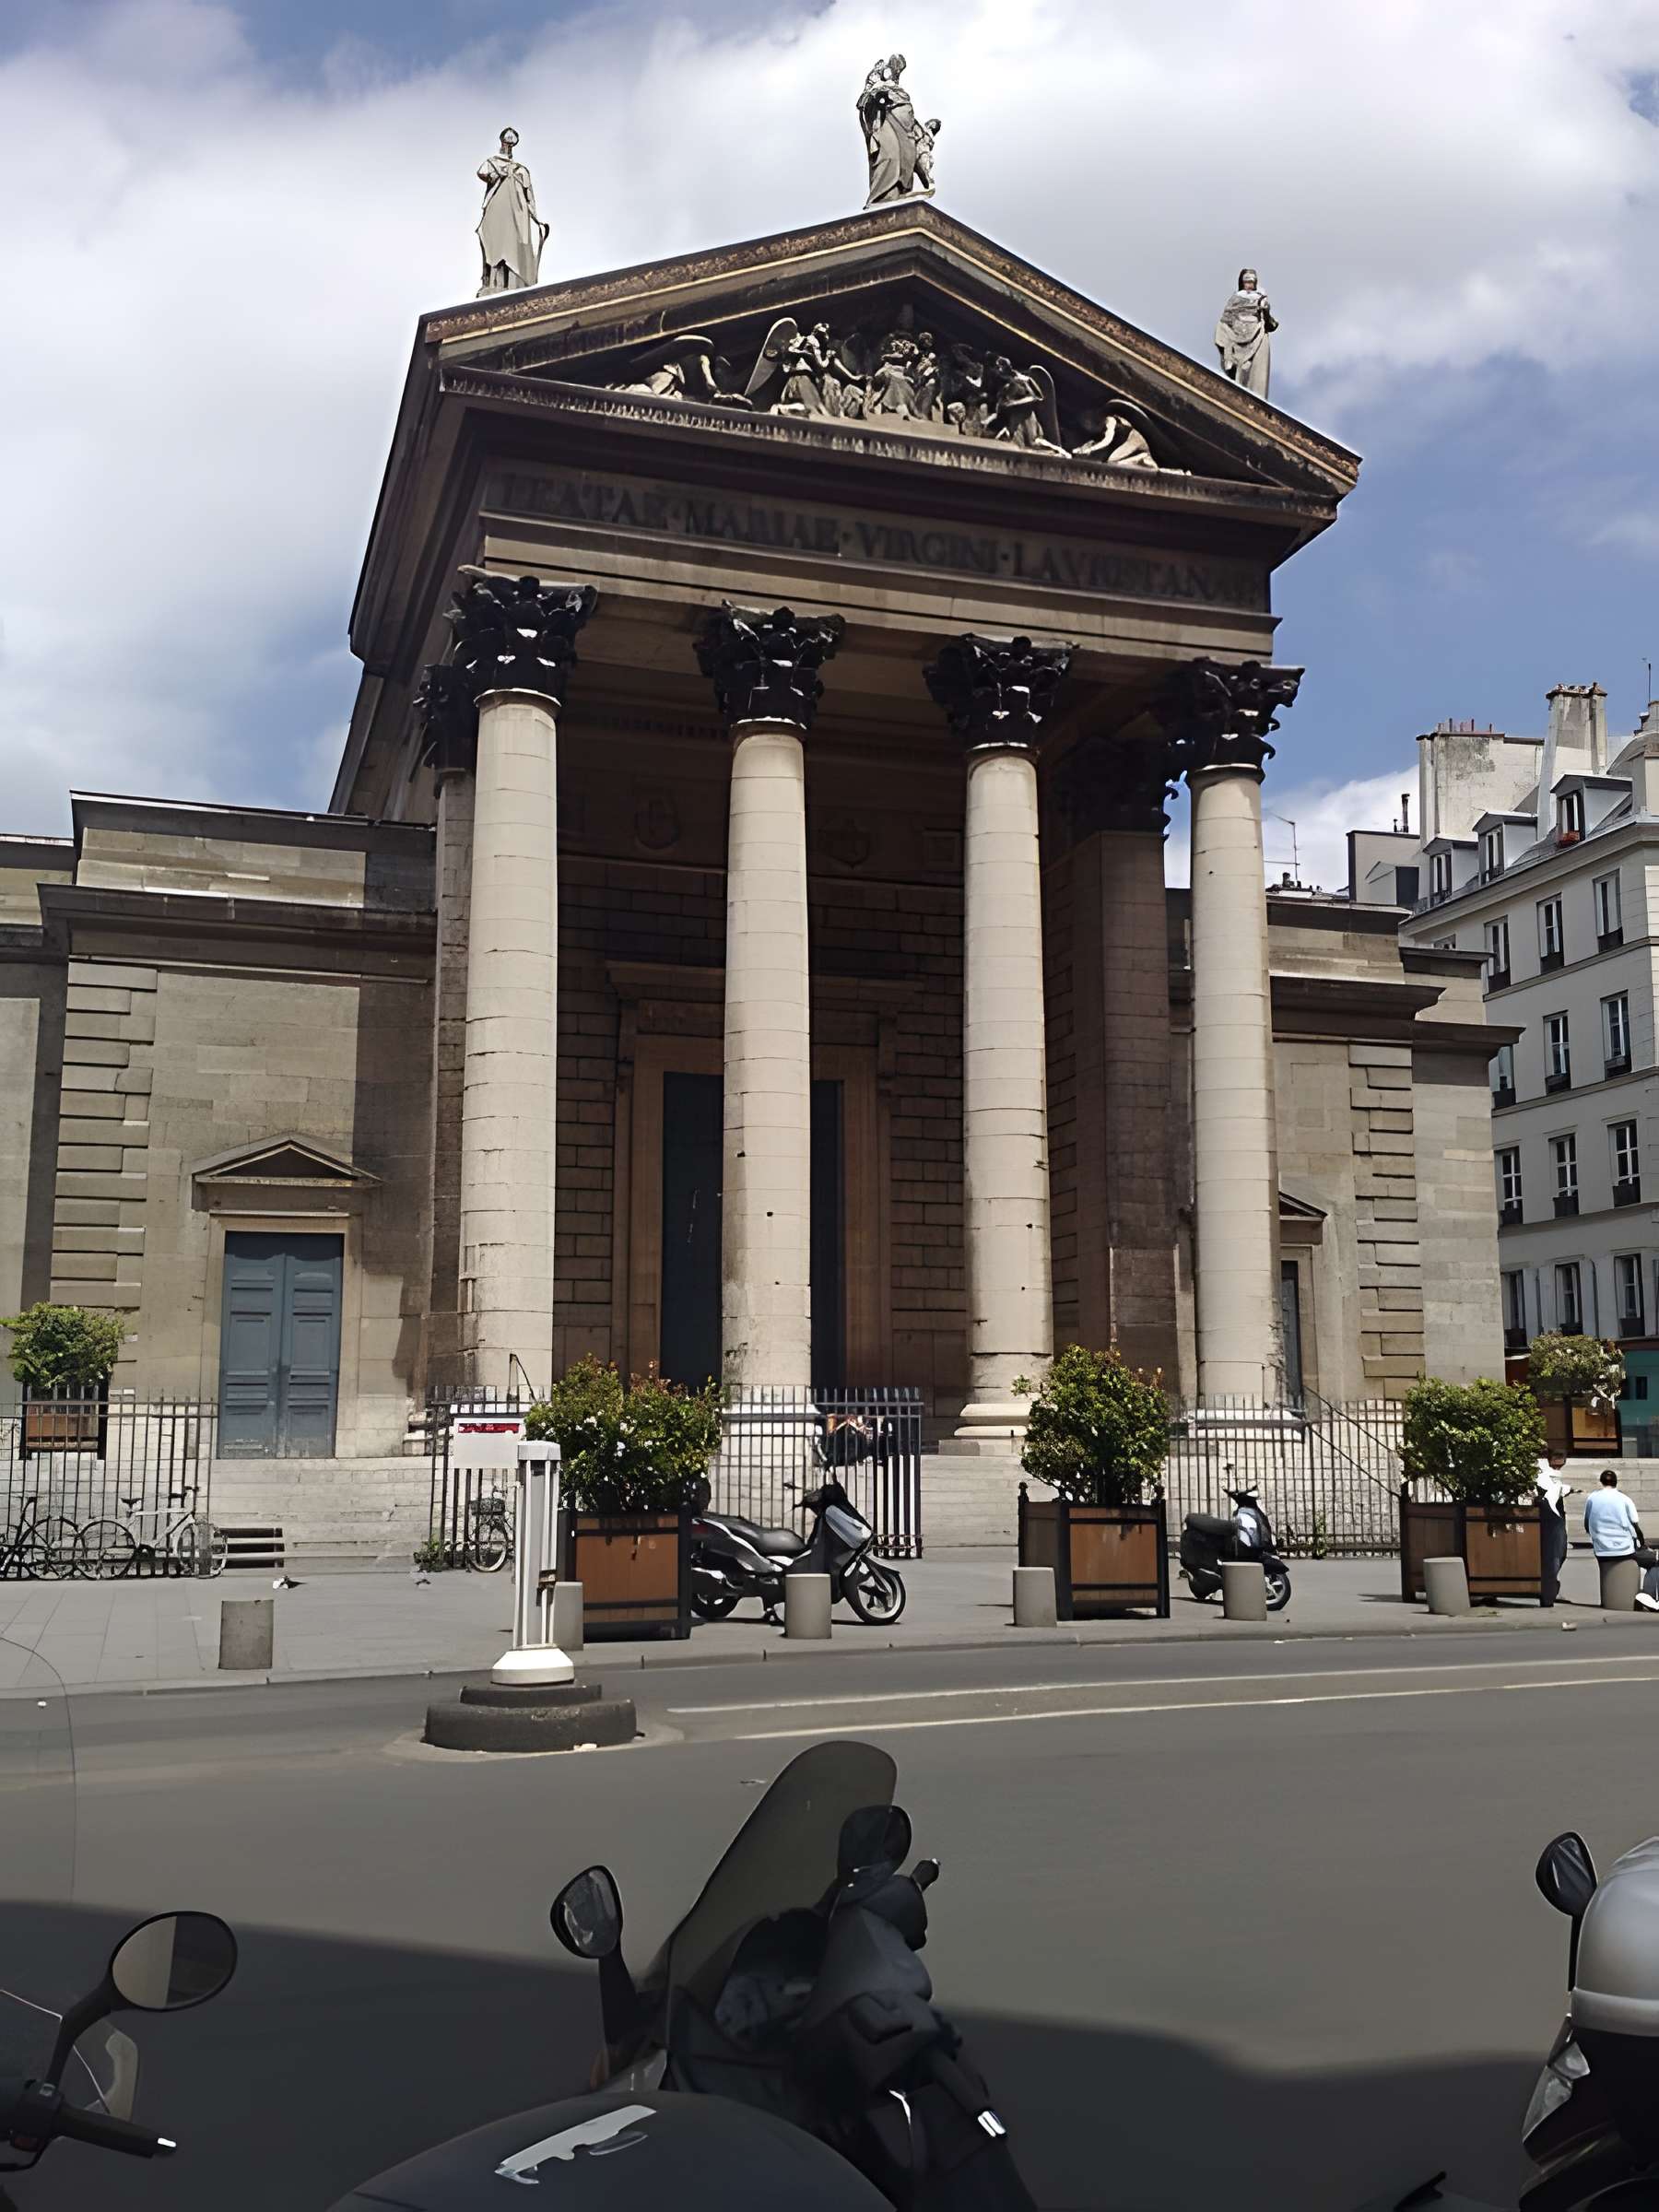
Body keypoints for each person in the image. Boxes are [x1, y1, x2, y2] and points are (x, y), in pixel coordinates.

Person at [476, 126, 548, 296]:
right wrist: (498, 172)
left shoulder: (521, 170)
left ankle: (513, 282)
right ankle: (495, 282)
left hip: (518, 216)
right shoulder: (493, 163)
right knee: (495, 244)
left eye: (510, 143)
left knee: (514, 248)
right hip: (497, 211)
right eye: (506, 142)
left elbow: (529, 197)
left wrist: (535, 219)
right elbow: (482, 172)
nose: (507, 146)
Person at [1214, 268, 1277, 399]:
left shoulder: (1260, 298)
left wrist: (1265, 310)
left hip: (1257, 334)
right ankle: (1231, 361)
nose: (1249, 284)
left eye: (1252, 281)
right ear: (1242, 282)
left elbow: (1270, 324)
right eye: (1247, 281)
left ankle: (1255, 397)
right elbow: (1227, 318)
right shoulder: (1237, 297)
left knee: (1256, 374)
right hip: (1238, 333)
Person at [1584, 1468, 1644, 1571]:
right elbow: (1635, 1525)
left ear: (1601, 1482)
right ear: (1616, 1482)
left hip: (1601, 1550)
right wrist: (1642, 1543)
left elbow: (1587, 1523)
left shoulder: (1592, 1498)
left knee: (1605, 1573)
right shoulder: (1625, 1499)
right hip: (1625, 1549)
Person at [1535, 1450, 1571, 1606]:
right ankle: (1548, 1593)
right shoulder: (1546, 1477)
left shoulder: (1551, 1476)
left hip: (1552, 1520)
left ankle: (1550, 1589)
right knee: (1555, 1556)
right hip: (1553, 1521)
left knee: (1556, 1555)